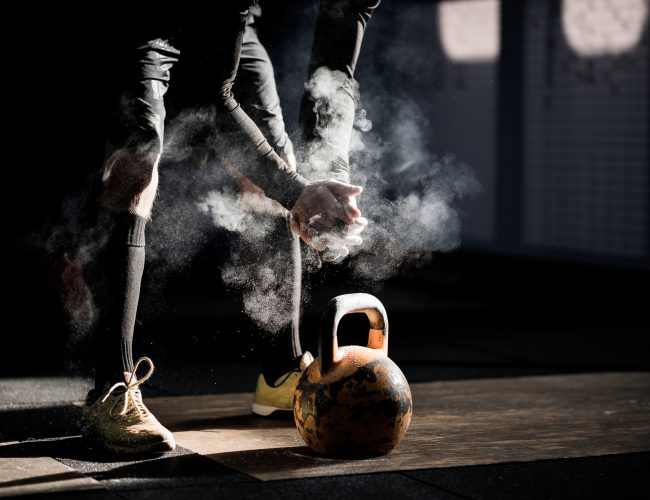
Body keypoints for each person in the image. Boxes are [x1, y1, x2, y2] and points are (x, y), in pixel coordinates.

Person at [82, 0, 380, 455]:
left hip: (222, 20)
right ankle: (112, 388)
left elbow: (335, 70)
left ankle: (281, 373)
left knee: (276, 160)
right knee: (138, 157)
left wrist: (328, 170)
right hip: (137, 18)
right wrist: (297, 190)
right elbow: (211, 102)